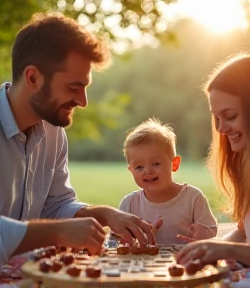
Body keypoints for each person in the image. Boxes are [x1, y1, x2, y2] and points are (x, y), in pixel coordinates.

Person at [0, 12, 155, 266]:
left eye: (85, 87)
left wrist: (105, 215)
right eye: (73, 87)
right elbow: (52, 226)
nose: (83, 101)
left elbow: (56, 205)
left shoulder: (53, 132)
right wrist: (55, 232)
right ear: (33, 78)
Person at [176, 53, 250, 286]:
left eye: (230, 116)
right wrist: (209, 250)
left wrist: (227, 250)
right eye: (216, 118)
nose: (221, 129)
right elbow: (245, 233)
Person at [117, 117, 217, 244]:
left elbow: (211, 231)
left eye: (156, 163)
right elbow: (115, 243)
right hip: (144, 262)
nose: (148, 171)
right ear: (131, 170)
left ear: (174, 164)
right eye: (139, 167)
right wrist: (136, 241)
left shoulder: (193, 198)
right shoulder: (129, 204)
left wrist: (203, 234)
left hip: (185, 260)